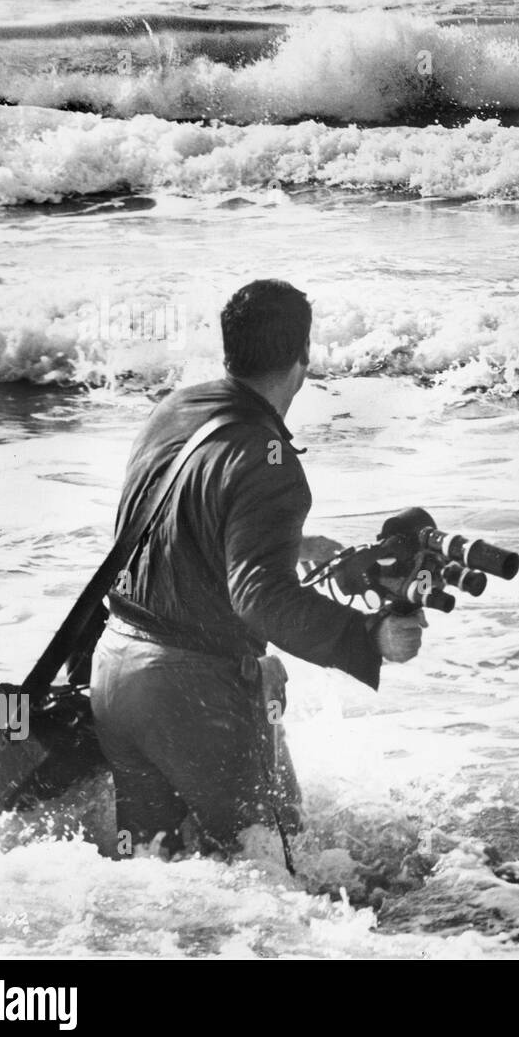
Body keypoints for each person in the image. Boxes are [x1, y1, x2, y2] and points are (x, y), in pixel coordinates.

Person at [91, 279, 426, 863]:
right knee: (275, 865)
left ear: (229, 350)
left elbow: (172, 518)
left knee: (155, 870)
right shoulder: (270, 463)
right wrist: (370, 636)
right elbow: (260, 599)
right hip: (192, 691)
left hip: (116, 673)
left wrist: (290, 542)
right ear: (305, 356)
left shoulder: (174, 409)